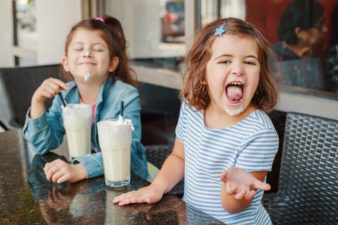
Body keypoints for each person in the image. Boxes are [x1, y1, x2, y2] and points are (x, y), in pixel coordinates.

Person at [113, 17, 279, 224]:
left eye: (249, 62)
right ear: (202, 74)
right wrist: (157, 187)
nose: (238, 69)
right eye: (225, 61)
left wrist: (236, 190)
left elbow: (234, 208)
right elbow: (179, 157)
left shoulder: (260, 133)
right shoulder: (192, 109)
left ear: (260, 74)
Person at [23, 16, 148, 183]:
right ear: (66, 63)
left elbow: (128, 150)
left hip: (127, 181)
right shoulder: (65, 96)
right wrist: (37, 102)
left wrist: (81, 168)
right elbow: (43, 145)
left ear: (112, 63)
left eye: (97, 49)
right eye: (79, 48)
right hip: (88, 183)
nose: (87, 53)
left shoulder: (126, 96)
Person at [272, 0, 328, 90]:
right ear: (299, 32)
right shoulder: (274, 58)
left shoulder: (313, 55)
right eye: (319, 25)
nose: (325, 29)